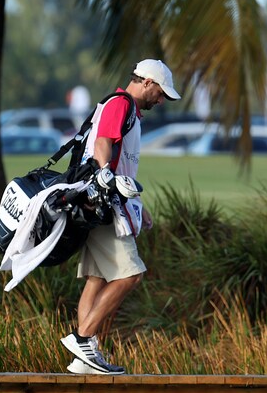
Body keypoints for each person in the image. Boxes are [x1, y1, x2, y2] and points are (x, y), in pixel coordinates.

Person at [60, 59, 180, 375]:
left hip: (102, 202)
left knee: (97, 279)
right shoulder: (121, 104)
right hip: (104, 204)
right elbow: (102, 143)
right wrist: (103, 177)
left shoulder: (124, 108)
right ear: (148, 83)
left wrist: (139, 205)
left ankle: (83, 358)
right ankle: (83, 339)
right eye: (161, 92)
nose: (161, 100)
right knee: (131, 275)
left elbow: (122, 165)